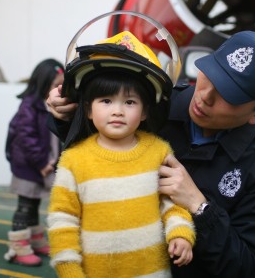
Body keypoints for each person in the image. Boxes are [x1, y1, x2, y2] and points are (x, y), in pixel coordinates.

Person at [47, 30, 255, 277]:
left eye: (229, 95)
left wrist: (201, 208)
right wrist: (66, 114)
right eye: (211, 76)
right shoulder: (155, 102)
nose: (205, 97)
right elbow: (94, 144)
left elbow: (249, 268)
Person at [47, 31, 195, 277]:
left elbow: (171, 202)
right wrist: (68, 267)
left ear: (145, 111)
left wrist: (181, 233)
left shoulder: (158, 151)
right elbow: (63, 219)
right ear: (88, 110)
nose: (117, 111)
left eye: (130, 102)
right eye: (106, 101)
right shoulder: (73, 160)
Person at [4, 58, 64, 266]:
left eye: (62, 84)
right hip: (29, 167)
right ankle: (19, 246)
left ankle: (36, 240)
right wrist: (41, 163)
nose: (59, 88)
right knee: (25, 206)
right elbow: (26, 138)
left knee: (35, 203)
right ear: (42, 82)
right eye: (55, 83)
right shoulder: (30, 104)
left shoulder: (51, 104)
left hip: (43, 166)